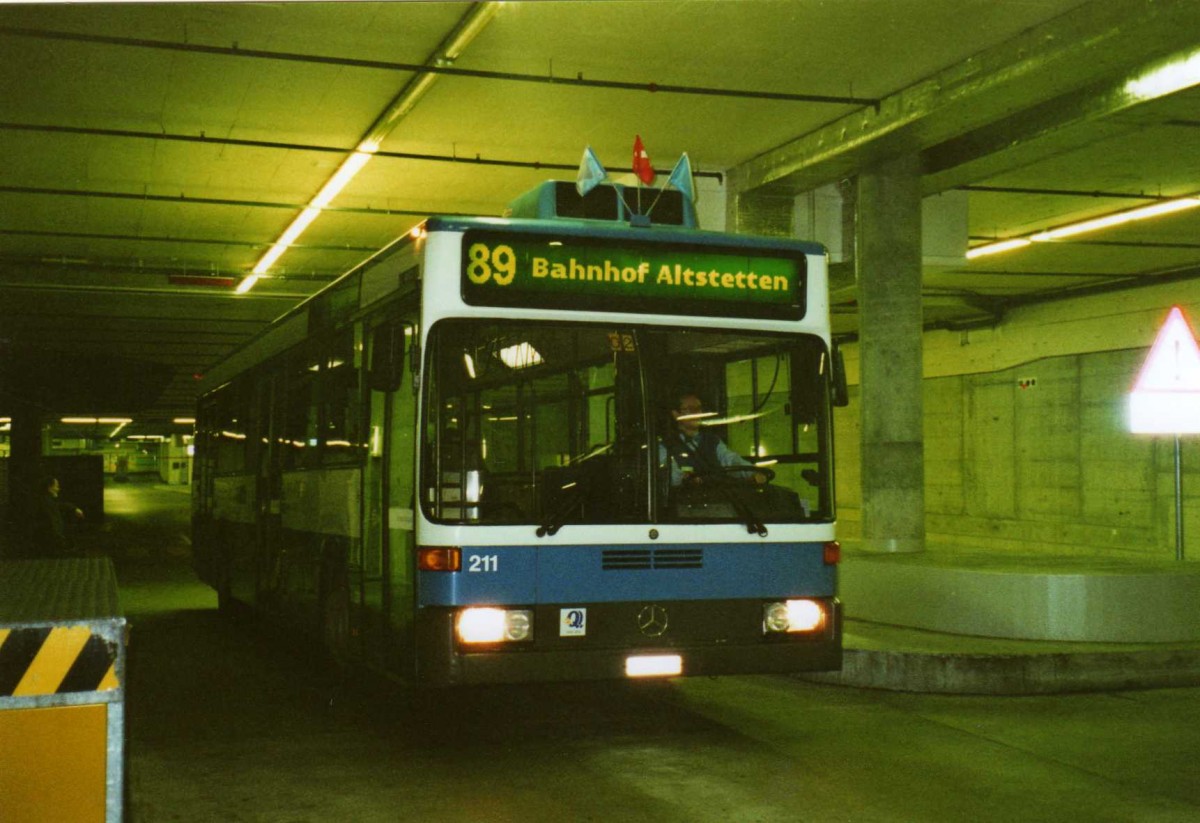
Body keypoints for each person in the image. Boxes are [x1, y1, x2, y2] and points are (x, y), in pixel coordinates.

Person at [659, 392, 768, 488]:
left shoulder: (712, 441)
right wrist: (685, 479)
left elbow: (730, 459)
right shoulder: (664, 445)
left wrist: (753, 473)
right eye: (691, 409)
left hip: (717, 500)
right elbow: (670, 473)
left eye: (699, 409)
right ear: (676, 414)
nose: (698, 413)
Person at [30, 476, 84, 557]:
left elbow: (59, 506)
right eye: (56, 486)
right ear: (49, 488)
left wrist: (74, 508)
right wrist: (62, 542)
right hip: (52, 546)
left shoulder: (45, 501)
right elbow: (54, 525)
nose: (58, 489)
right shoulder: (48, 504)